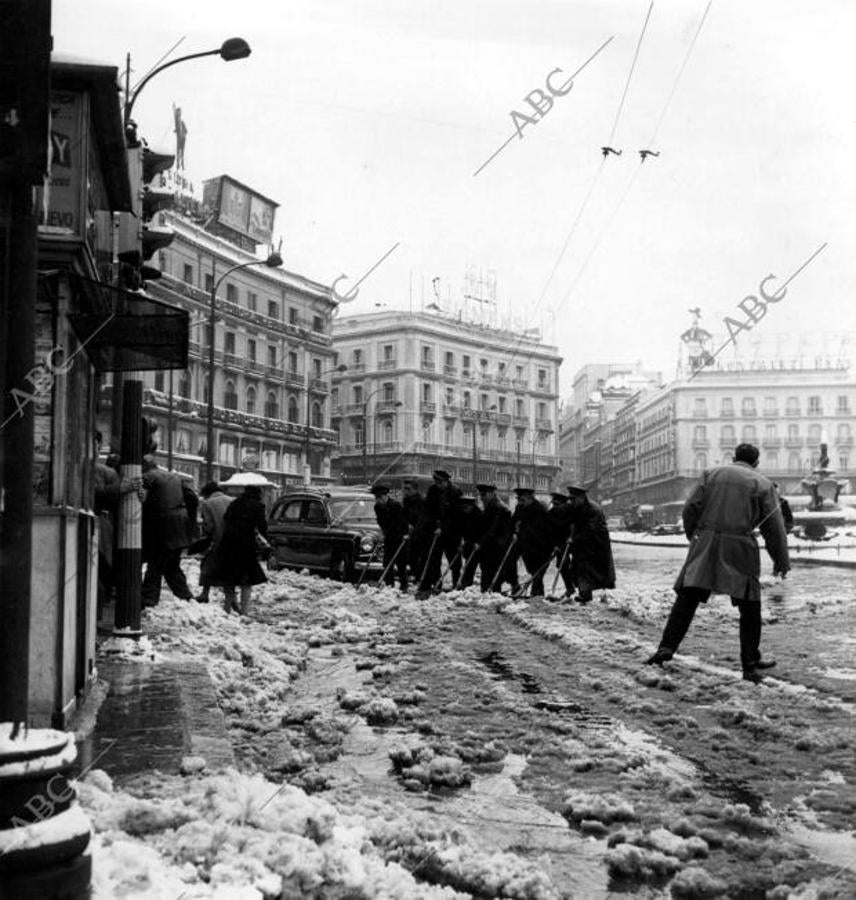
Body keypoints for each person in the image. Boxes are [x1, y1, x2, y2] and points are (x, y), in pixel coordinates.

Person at [646, 443, 790, 683]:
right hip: (740, 547)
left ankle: (666, 648)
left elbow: (690, 508)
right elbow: (774, 528)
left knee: (688, 596)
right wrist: (781, 561)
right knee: (749, 606)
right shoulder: (763, 483)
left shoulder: (711, 474)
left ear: (734, 458)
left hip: (706, 542)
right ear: (756, 462)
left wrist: (695, 535)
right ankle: (750, 664)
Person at [209, 484, 269, 615]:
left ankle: (227, 607)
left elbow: (226, 519)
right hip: (246, 544)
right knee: (247, 578)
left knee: (230, 576)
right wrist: (265, 541)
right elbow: (262, 526)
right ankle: (245, 610)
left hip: (228, 543)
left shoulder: (235, 503)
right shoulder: (258, 506)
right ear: (258, 493)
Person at [141, 455, 192, 606]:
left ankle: (149, 599)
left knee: (155, 564)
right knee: (171, 565)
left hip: (162, 526)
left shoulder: (147, 477)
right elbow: (192, 498)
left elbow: (140, 497)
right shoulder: (174, 477)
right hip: (180, 525)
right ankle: (185, 596)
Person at [566, 485, 616, 603]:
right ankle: (584, 593)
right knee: (579, 568)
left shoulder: (594, 510)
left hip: (595, 546)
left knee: (589, 570)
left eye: (573, 499)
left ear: (582, 498)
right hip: (582, 545)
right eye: (570, 499)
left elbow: (591, 530)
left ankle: (587, 594)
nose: (571, 501)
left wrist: (574, 538)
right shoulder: (576, 508)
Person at [417, 469, 462, 598]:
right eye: (436, 481)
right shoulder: (433, 490)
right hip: (436, 532)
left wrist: (443, 527)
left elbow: (455, 515)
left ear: (447, 481)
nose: (438, 484)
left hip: (452, 533)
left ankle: (456, 584)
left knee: (454, 561)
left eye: (440, 482)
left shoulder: (455, 492)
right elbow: (428, 510)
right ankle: (437, 584)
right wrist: (433, 525)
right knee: (434, 559)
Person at [194, 481, 233, 603]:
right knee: (228, 568)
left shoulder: (207, 503)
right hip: (231, 539)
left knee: (207, 566)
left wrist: (204, 538)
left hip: (217, 540)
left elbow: (209, 526)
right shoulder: (231, 500)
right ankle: (230, 597)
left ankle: (205, 593)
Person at [476, 483, 517, 593]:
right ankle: (487, 592)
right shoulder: (490, 507)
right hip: (490, 545)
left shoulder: (499, 508)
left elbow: (493, 529)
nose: (482, 498)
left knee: (493, 571)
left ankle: (492, 592)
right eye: (480, 495)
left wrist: (482, 542)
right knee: (487, 570)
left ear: (492, 494)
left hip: (496, 546)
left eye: (484, 495)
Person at [510, 487, 551, 597]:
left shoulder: (539, 510)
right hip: (524, 543)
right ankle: (515, 586)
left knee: (536, 571)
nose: (520, 502)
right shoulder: (520, 507)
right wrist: (514, 532)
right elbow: (513, 521)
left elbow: (537, 530)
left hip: (539, 546)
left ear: (530, 498)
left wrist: (521, 533)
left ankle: (537, 594)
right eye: (518, 499)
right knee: (510, 561)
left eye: (522, 500)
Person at [371, 484, 409, 591]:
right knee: (387, 562)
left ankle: (404, 586)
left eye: (380, 497)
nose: (378, 500)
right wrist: (383, 532)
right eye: (376, 498)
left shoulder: (396, 505)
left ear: (386, 496)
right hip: (389, 537)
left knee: (401, 563)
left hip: (400, 537)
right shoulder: (377, 507)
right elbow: (380, 521)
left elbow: (403, 521)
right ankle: (389, 585)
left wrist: (405, 534)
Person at [546, 491, 575, 598]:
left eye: (556, 503)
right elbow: (552, 530)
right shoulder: (555, 512)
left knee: (565, 564)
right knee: (562, 564)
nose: (554, 505)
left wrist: (571, 535)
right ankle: (570, 587)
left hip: (570, 541)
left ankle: (571, 588)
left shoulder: (566, 511)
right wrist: (556, 545)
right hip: (562, 543)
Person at [402, 479, 430, 585]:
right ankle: (417, 576)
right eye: (404, 488)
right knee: (411, 557)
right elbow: (404, 515)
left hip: (422, 534)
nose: (406, 491)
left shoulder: (422, 501)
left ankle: (421, 578)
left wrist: (415, 527)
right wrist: (406, 525)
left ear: (415, 489)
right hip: (410, 534)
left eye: (408, 489)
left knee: (422, 558)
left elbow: (423, 518)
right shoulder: (406, 500)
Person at [457, 495, 484, 588]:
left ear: (471, 506)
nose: (464, 509)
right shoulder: (462, 514)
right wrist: (460, 543)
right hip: (469, 544)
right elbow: (460, 530)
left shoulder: (480, 515)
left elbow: (484, 532)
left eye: (466, 507)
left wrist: (479, 543)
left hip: (480, 545)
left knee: (484, 566)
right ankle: (466, 584)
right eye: (463, 507)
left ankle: (487, 587)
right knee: (469, 565)